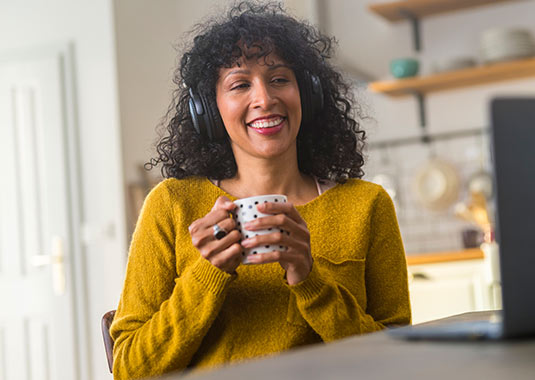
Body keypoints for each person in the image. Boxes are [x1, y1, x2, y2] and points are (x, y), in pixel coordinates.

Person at [110, 2, 411, 379]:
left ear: (309, 93)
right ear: (209, 107)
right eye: (240, 84)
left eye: (280, 79)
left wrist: (309, 279)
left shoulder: (367, 205)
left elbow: (398, 360)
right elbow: (131, 369)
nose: (265, 99)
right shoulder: (171, 204)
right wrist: (207, 273)